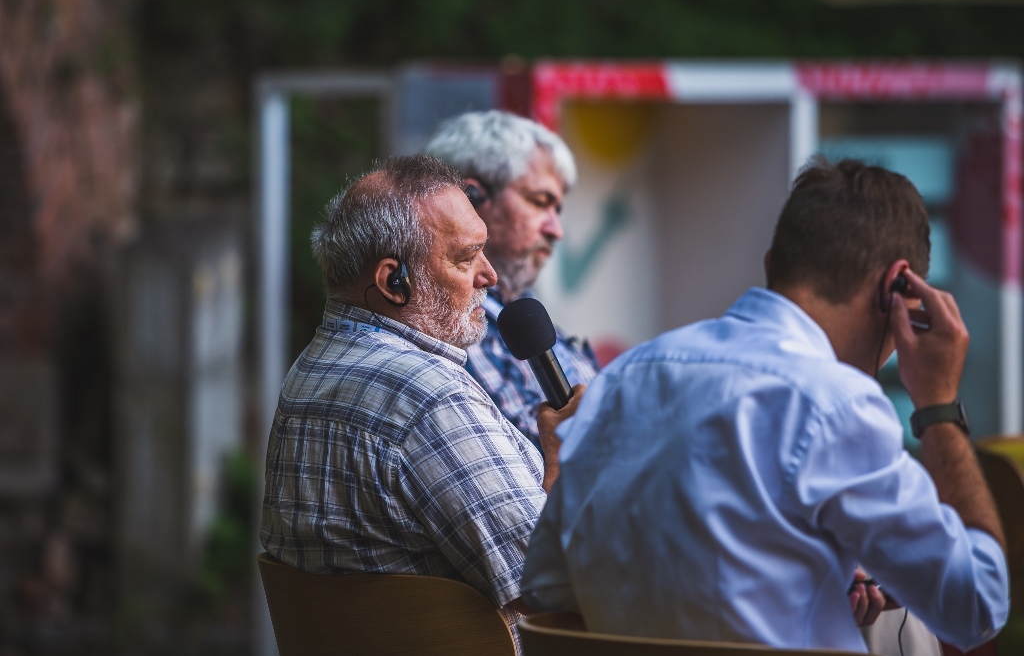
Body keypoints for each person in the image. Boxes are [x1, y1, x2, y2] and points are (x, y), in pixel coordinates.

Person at [519, 157, 1009, 653]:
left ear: (773, 264)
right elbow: (978, 607)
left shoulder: (621, 379)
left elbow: (547, 590)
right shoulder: (838, 404)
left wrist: (789, 579)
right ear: (896, 288)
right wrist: (938, 405)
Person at [260, 155, 582, 634]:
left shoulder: (307, 373)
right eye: (466, 257)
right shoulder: (429, 398)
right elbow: (557, 586)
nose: (490, 276)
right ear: (394, 281)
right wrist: (564, 455)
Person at [424, 111, 600, 451]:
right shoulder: (452, 324)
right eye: (540, 202)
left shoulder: (521, 308)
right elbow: (538, 452)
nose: (556, 230)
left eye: (557, 210)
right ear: (470, 199)